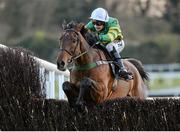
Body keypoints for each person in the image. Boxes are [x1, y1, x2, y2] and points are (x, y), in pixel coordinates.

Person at [85, 7, 133, 81]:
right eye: (94, 22)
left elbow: (110, 36)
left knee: (109, 46)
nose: (96, 25)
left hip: (116, 42)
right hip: (102, 43)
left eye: (99, 23)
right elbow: (83, 31)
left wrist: (98, 37)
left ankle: (122, 69)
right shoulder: (92, 24)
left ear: (105, 22)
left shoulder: (113, 22)